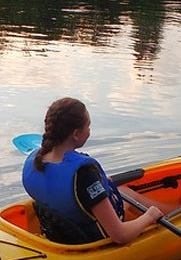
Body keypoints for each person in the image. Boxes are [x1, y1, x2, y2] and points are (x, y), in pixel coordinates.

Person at [22, 97, 172, 245]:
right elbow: (120, 236)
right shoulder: (84, 175)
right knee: (134, 199)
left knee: (125, 193)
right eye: (88, 126)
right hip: (91, 239)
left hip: (59, 232)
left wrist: (98, 184)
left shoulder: (38, 158)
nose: (89, 130)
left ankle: (177, 210)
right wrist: (150, 215)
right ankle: (180, 214)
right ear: (76, 134)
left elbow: (64, 187)